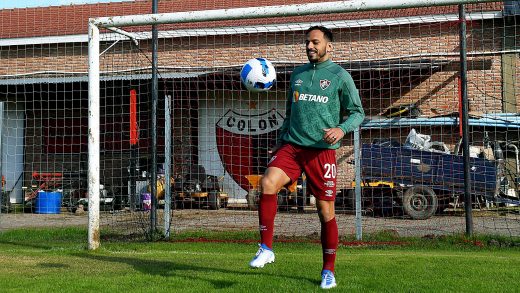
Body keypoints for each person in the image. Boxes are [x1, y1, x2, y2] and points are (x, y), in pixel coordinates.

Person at [248, 26, 365, 290]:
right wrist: (280, 141)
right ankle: (266, 248)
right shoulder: (297, 74)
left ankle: (328, 271)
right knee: (267, 184)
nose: (310, 46)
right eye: (307, 42)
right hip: (292, 147)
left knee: (325, 212)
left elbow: (358, 113)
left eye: (315, 42)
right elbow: (290, 111)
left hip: (321, 151)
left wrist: (340, 129)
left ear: (329, 46)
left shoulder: (340, 76)